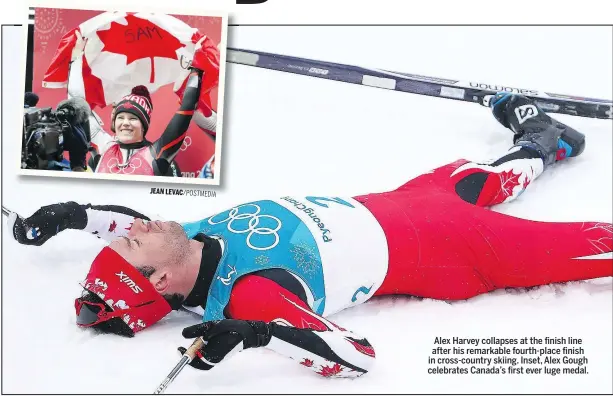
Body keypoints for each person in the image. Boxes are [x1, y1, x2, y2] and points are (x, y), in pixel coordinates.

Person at [8, 94, 612, 379]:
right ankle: (539, 145)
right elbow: (357, 358)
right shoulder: (248, 295)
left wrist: (72, 214)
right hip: (459, 253)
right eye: (134, 243)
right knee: (595, 245)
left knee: (485, 178)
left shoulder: (184, 241)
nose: (137, 226)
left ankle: (541, 141)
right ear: (162, 281)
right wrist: (258, 335)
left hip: (407, 199)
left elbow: (122, 228)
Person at [89, 36, 219, 177]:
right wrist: (76, 58)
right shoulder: (104, 146)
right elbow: (76, 105)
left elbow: (187, 108)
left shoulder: (154, 154)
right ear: (114, 120)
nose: (125, 123)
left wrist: (197, 66)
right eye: (121, 117)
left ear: (144, 124)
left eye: (133, 118)